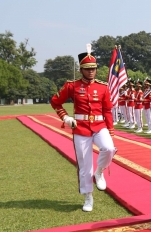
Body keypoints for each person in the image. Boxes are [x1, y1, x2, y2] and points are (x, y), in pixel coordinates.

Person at [50, 46, 117, 212]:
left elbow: (107, 110)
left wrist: (111, 130)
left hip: (100, 125)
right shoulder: (72, 86)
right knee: (85, 164)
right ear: (81, 70)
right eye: (87, 69)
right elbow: (55, 102)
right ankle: (88, 196)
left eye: (93, 69)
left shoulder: (103, 87)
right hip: (80, 129)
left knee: (109, 148)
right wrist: (65, 118)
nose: (91, 72)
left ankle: (100, 171)